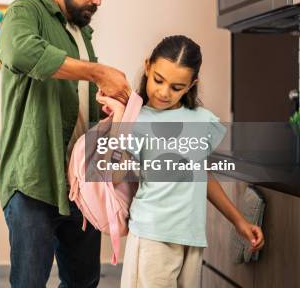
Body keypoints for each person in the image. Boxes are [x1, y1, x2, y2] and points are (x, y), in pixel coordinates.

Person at [0, 0, 131, 288]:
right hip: (34, 181)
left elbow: (78, 104)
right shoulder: (25, 11)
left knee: (84, 281)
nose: (99, 0)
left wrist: (112, 105)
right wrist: (97, 72)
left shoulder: (83, 35)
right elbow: (21, 51)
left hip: (82, 183)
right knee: (29, 282)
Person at [95, 35, 265, 288]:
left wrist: (239, 221)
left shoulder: (202, 120)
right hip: (153, 236)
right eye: (158, 80)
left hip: (191, 237)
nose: (164, 92)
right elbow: (115, 175)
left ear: (191, 85)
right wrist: (121, 123)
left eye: (176, 87)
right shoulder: (136, 118)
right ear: (148, 67)